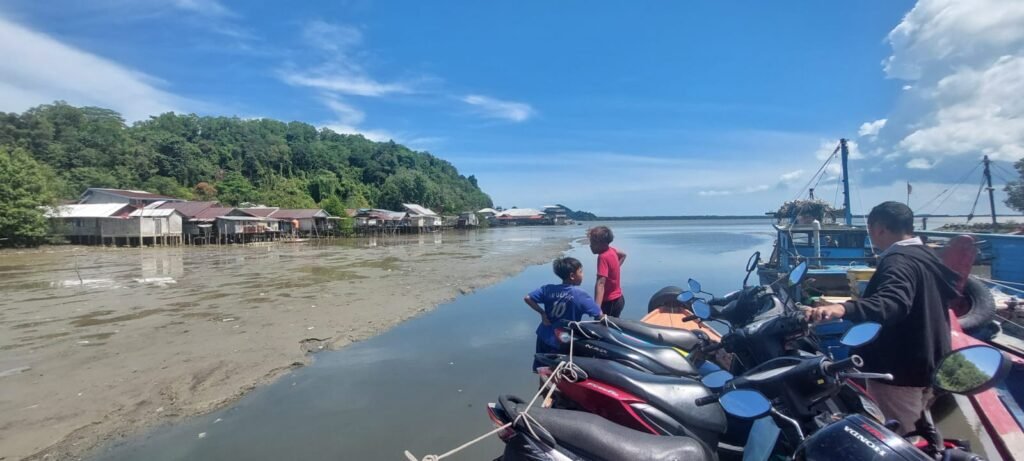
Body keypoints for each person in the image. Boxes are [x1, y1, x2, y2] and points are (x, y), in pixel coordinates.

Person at [805, 201, 960, 434]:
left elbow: (893, 303)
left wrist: (843, 309)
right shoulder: (927, 256)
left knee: (901, 439)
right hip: (931, 363)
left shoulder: (898, 261)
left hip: (900, 371)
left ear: (879, 228)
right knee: (925, 432)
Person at [524, 257, 604, 370]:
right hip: (563, 340)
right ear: (572, 276)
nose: (583, 275)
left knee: (544, 370)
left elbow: (528, 298)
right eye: (580, 271)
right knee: (562, 371)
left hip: (544, 335)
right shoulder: (580, 295)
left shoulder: (548, 289)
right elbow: (599, 314)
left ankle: (544, 381)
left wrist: (542, 313)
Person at [588, 226, 627, 317]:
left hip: (610, 302)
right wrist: (614, 269)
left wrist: (597, 308)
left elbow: (601, 283)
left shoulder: (603, 257)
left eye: (593, 242)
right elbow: (623, 255)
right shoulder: (612, 250)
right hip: (618, 299)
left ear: (602, 243)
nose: (590, 245)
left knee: (601, 325)